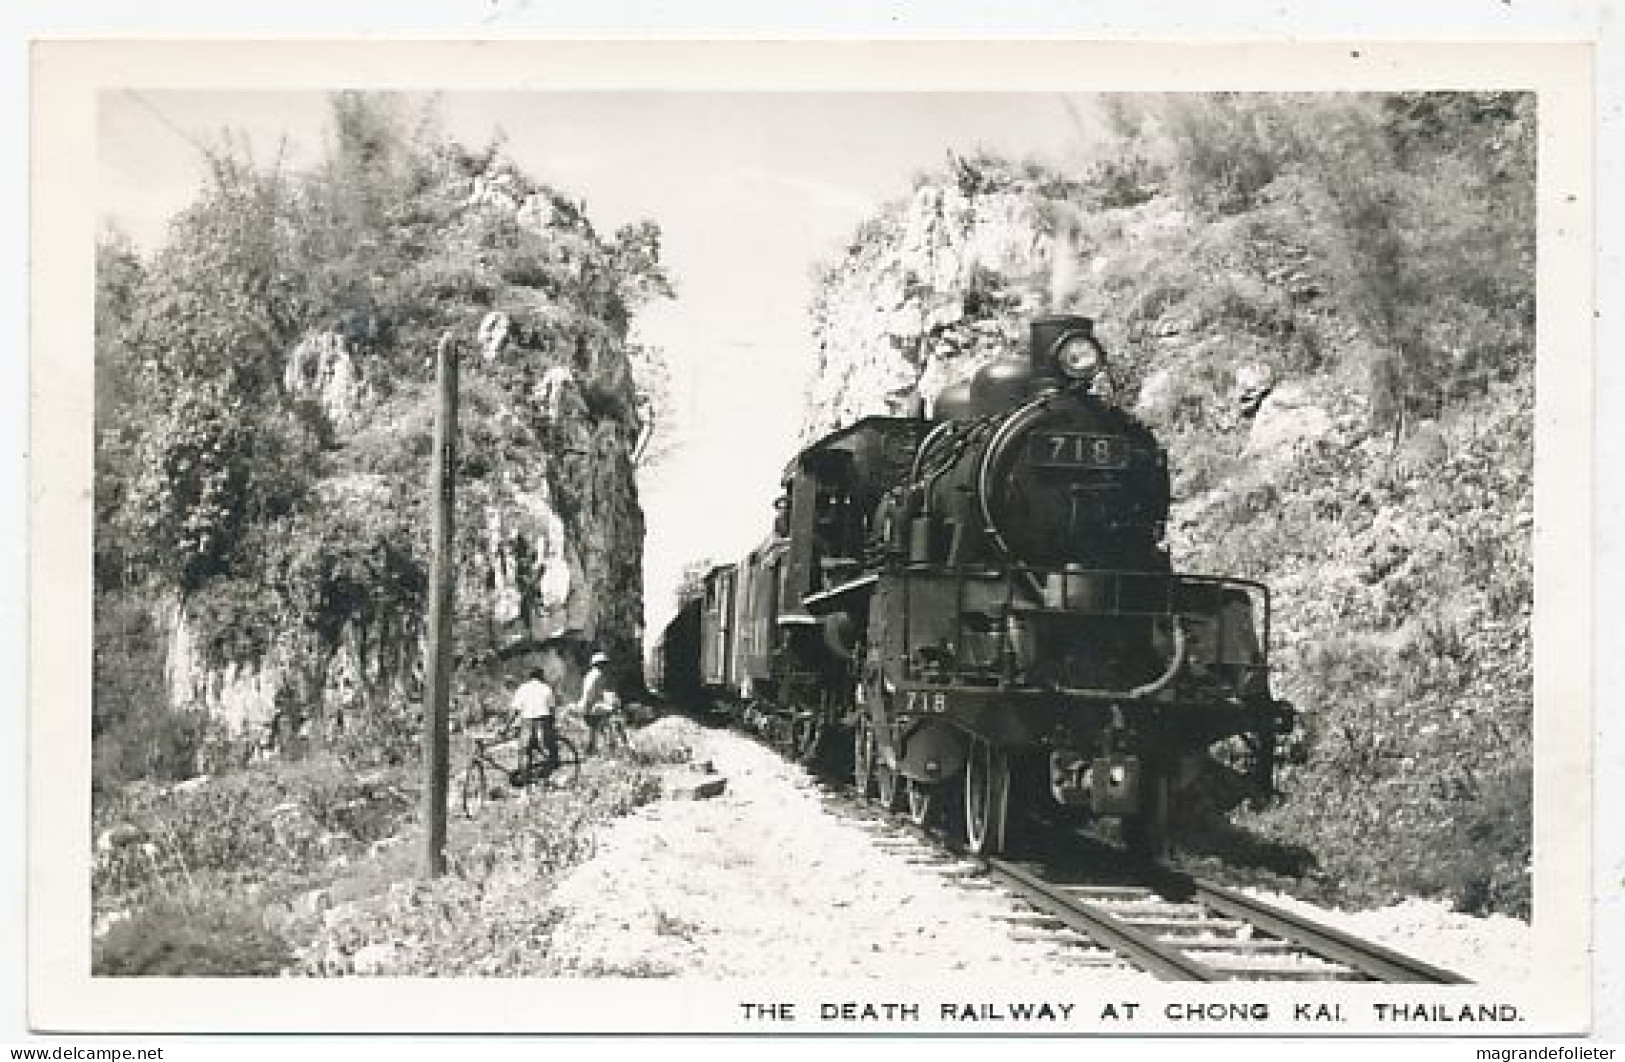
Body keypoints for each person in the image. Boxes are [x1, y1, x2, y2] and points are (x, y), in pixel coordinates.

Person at [510, 667, 558, 778]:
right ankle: (545, 774)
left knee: (525, 752)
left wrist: (507, 726)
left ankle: (526, 782)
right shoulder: (546, 688)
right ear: (541, 676)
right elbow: (552, 710)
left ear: (529, 677)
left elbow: (515, 710)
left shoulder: (522, 688)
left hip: (527, 722)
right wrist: (552, 726)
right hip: (543, 721)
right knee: (551, 751)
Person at [577, 651, 618, 755]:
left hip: (586, 706)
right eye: (604, 664)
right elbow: (590, 694)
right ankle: (611, 746)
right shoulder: (598, 675)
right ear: (599, 664)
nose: (606, 667)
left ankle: (592, 749)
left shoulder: (590, 674)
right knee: (612, 716)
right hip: (590, 706)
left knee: (594, 730)